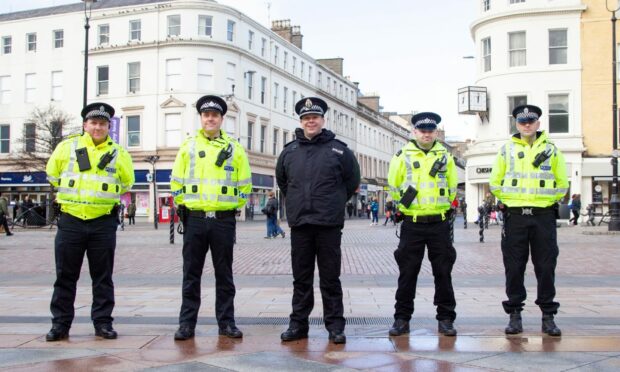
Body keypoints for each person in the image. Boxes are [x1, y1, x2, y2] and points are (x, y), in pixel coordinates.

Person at [44, 102, 135, 341]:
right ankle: (60, 325)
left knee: (102, 277)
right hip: (71, 220)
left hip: (103, 223)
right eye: (93, 123)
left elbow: (127, 182)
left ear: (108, 126)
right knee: (65, 276)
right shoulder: (66, 147)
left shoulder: (119, 152)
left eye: (102, 123)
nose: (97, 127)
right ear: (85, 124)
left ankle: (103, 323)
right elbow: (52, 174)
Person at [276, 97, 360, 344]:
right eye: (306, 118)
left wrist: (334, 202)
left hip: (328, 225)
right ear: (301, 121)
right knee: (301, 279)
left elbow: (352, 181)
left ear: (323, 120)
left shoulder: (339, 150)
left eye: (314, 117)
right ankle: (298, 324)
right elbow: (283, 183)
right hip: (301, 225)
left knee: (330, 278)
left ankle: (335, 326)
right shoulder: (289, 152)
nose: (310, 121)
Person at [171, 95, 252, 341]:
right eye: (206, 115)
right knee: (191, 275)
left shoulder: (235, 148)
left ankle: (226, 323)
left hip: (223, 220)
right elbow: (176, 182)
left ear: (221, 119)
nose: (210, 119)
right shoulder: (188, 146)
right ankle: (187, 325)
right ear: (201, 118)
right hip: (194, 219)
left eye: (215, 115)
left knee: (224, 274)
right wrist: (185, 204)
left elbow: (245, 185)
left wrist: (229, 205)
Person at [489, 104, 567, 337]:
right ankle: (515, 315)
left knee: (545, 267)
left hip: (543, 217)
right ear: (516, 124)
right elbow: (495, 183)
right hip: (516, 217)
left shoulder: (553, 151)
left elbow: (562, 184)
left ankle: (548, 316)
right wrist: (512, 200)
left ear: (538, 124)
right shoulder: (506, 150)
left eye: (530, 121)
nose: (526, 125)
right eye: (522, 122)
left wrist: (542, 201)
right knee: (514, 267)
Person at [387, 112, 459, 337]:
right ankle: (402, 319)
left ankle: (446, 318)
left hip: (439, 223)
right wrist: (404, 208)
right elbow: (394, 185)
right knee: (407, 273)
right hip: (413, 224)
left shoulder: (445, 156)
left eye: (430, 131)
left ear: (435, 132)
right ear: (414, 132)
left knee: (443, 273)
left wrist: (445, 208)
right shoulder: (402, 156)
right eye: (422, 130)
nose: (426, 134)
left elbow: (453, 186)